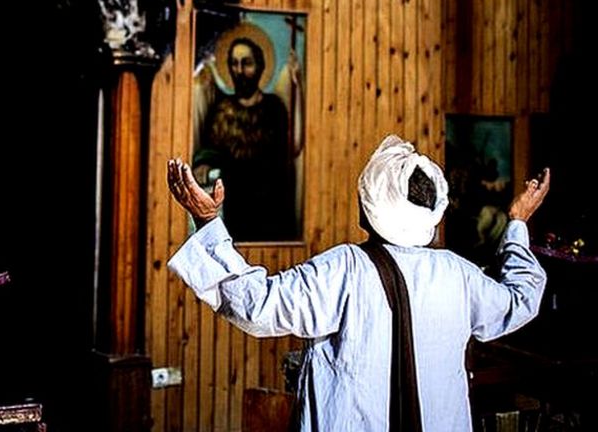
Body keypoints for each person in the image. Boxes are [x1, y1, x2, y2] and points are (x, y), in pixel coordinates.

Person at [167, 134, 549, 432]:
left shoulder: (345, 270)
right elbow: (520, 299)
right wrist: (517, 223)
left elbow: (257, 305)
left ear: (368, 209)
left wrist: (208, 223)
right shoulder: (457, 274)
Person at [193, 36, 294, 240]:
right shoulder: (221, 109)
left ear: (260, 66)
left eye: (246, 63)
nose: (239, 71)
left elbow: (282, 155)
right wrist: (204, 162)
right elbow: (210, 147)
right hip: (235, 200)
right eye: (234, 63)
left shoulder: (274, 108)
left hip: (270, 204)